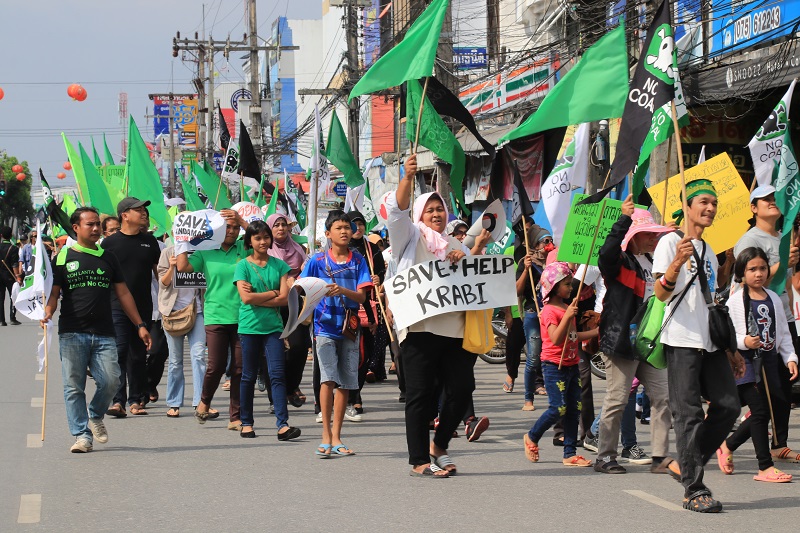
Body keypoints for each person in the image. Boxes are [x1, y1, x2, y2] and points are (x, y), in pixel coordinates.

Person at [652, 178, 743, 513]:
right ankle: (694, 488)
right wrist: (676, 262)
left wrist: (730, 349)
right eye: (703, 201)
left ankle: (687, 463)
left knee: (729, 406)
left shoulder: (707, 249)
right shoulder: (669, 242)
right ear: (687, 206)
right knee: (688, 414)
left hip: (710, 343)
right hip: (681, 341)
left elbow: (711, 301)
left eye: (714, 203)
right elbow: (661, 293)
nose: (710, 208)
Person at [386, 154, 478, 478]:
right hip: (420, 328)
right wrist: (408, 178)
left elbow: (475, 283)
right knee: (420, 394)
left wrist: (463, 259)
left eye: (440, 208)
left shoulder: (458, 245)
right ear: (419, 214)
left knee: (463, 387)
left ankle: (438, 446)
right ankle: (418, 460)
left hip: (454, 330)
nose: (437, 213)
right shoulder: (409, 237)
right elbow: (396, 213)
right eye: (430, 209)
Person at [41, 207, 152, 453]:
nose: (95, 228)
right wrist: (47, 312)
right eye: (89, 224)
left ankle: (95, 413)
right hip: (72, 332)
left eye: (97, 224)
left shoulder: (108, 257)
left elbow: (123, 293)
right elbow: (54, 293)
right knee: (73, 386)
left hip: (104, 332)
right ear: (76, 228)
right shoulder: (63, 257)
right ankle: (82, 435)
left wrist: (140, 325)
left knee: (112, 380)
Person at [593, 196, 677, 476]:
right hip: (622, 343)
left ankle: (659, 456)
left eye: (655, 235)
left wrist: (675, 238)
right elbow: (605, 254)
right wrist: (624, 219)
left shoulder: (654, 260)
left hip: (650, 342)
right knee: (617, 400)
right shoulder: (620, 262)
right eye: (648, 234)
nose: (654, 239)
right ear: (633, 236)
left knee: (663, 398)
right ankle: (605, 456)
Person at [718, 247, 798, 482]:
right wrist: (745, 341)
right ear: (742, 272)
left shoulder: (773, 297)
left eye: (762, 268)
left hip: (770, 362)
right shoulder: (736, 301)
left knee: (765, 412)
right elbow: (730, 336)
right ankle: (765, 466)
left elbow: (782, 332)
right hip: (746, 364)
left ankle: (728, 445)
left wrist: (790, 358)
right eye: (752, 269)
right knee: (761, 411)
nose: (759, 273)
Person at [733, 185, 800, 463]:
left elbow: (788, 282)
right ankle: (725, 435)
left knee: (785, 387)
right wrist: (782, 263)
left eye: (776, 199)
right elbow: (749, 281)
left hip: (784, 318)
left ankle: (779, 442)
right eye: (766, 200)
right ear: (753, 207)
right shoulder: (750, 240)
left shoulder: (785, 238)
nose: (773, 203)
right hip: (756, 327)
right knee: (762, 395)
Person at [300, 210, 372, 458]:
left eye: (347, 227)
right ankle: (325, 436)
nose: (344, 231)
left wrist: (342, 290)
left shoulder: (358, 260)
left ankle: (338, 437)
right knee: (327, 379)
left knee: (346, 382)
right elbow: (301, 287)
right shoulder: (316, 261)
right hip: (323, 327)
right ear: (328, 234)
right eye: (338, 228)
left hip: (350, 328)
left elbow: (362, 296)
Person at [177, 209, 249, 430]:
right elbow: (183, 268)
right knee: (215, 366)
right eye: (228, 227)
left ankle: (235, 417)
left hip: (243, 316)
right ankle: (204, 401)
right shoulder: (205, 250)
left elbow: (262, 236)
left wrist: (241, 220)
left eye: (235, 228)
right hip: (216, 316)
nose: (232, 231)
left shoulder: (244, 249)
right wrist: (181, 240)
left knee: (239, 368)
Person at [522, 261, 597, 467]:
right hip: (553, 366)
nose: (571, 288)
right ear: (554, 287)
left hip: (572, 364)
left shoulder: (566, 308)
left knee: (574, 409)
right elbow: (555, 338)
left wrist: (597, 332)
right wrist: (567, 317)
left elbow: (573, 336)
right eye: (566, 284)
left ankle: (570, 453)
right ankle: (532, 436)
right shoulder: (549, 311)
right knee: (558, 408)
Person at [234, 220, 300, 440]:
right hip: (250, 328)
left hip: (273, 328)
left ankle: (283, 425)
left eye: (265, 237)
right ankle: (246, 423)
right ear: (249, 241)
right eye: (258, 238)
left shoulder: (280, 265)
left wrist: (260, 298)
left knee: (277, 375)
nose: (263, 241)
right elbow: (245, 298)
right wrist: (272, 293)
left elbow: (283, 299)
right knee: (248, 376)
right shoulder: (243, 266)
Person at [102, 197, 161, 417]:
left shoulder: (150, 242)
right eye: (138, 210)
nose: (144, 213)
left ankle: (136, 399)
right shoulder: (109, 244)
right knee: (119, 351)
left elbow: (159, 273)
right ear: (124, 215)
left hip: (143, 306)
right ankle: (118, 401)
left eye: (145, 209)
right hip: (115, 305)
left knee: (138, 355)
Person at [157, 244, 207, 418]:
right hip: (173, 313)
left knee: (199, 355)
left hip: (197, 311)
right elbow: (162, 283)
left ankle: (200, 402)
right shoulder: (168, 252)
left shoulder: (202, 252)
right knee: (175, 360)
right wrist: (172, 267)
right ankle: (174, 402)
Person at [266, 213, 310, 407]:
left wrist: (300, 279)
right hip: (272, 304)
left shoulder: (298, 249)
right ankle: (275, 395)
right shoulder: (265, 251)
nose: (281, 228)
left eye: (284, 225)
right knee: (273, 351)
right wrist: (284, 281)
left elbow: (307, 271)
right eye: (276, 225)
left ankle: (292, 386)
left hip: (295, 303)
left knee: (299, 346)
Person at [346, 209, 386, 419]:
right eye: (354, 224)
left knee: (367, 355)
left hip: (370, 309)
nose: (358, 228)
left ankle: (356, 391)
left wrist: (379, 279)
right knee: (355, 355)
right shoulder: (343, 250)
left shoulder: (372, 250)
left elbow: (381, 273)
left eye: (361, 224)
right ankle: (352, 396)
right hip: (348, 309)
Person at [514, 225, 551, 410]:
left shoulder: (554, 261)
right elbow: (517, 290)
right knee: (534, 357)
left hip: (551, 314)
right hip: (533, 313)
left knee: (550, 356)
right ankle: (528, 398)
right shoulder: (526, 263)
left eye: (551, 240)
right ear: (536, 244)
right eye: (545, 241)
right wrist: (526, 269)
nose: (549, 244)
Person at [0, 226, 21, 326]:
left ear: (1, 236)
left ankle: (1, 320)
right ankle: (12, 318)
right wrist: (18, 277)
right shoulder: (13, 248)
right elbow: (15, 264)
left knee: (0, 298)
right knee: (13, 296)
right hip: (9, 275)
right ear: (11, 235)